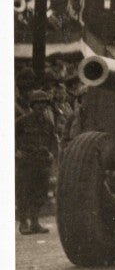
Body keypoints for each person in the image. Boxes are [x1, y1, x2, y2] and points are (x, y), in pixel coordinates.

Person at [16, 89, 57, 235]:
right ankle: (23, 223)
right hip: (26, 162)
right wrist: (16, 151)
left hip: (42, 162)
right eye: (38, 104)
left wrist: (52, 154)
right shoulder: (22, 121)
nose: (41, 107)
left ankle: (35, 222)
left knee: (40, 193)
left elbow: (53, 141)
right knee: (24, 192)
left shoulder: (48, 123)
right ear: (32, 105)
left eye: (44, 104)